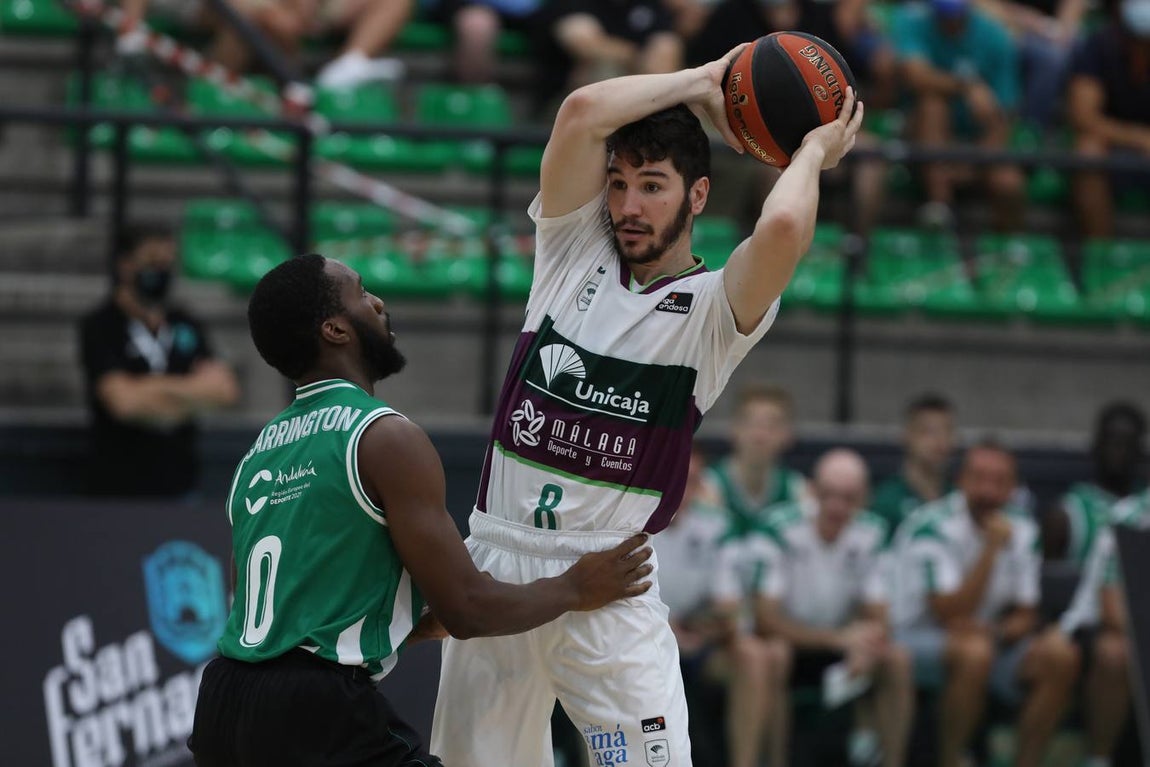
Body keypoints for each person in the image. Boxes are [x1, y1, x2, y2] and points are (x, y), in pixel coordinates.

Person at [430, 44, 864, 766]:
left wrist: (811, 153)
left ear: (697, 195)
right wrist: (705, 82)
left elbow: (784, 230)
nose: (629, 206)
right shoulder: (573, 252)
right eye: (620, 184)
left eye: (653, 186)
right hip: (498, 568)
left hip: (610, 585)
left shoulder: (713, 311)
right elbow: (581, 114)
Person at [188, 254, 655, 767]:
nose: (378, 301)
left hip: (222, 706)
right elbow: (468, 609)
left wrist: (404, 625)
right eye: (361, 292)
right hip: (313, 712)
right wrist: (575, 587)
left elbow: (284, 619)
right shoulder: (384, 436)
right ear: (335, 329)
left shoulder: (260, 452)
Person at [894, 440, 1079, 767]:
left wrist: (997, 631)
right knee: (974, 652)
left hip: (986, 637)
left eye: (999, 481)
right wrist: (991, 549)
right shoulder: (932, 526)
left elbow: (1026, 612)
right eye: (978, 478)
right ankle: (952, 760)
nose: (988, 491)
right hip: (912, 637)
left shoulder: (1023, 529)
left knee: (1060, 655)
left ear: (1013, 488)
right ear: (959, 481)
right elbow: (948, 612)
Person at [748, 449, 913, 767]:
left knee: (897, 659)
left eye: (848, 497)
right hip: (792, 644)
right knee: (774, 654)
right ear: (812, 491)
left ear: (864, 497)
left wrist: (868, 642)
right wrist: (837, 639)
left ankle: (892, 761)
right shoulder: (777, 527)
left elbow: (880, 614)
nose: (837, 506)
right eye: (828, 495)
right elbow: (765, 619)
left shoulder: (873, 532)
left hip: (844, 648)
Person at [78, 223, 240, 497]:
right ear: (125, 265)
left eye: (167, 263)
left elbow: (224, 391)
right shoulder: (101, 326)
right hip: (117, 490)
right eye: (152, 261)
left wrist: (147, 389)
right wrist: (191, 392)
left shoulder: (185, 323)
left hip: (181, 485)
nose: (161, 270)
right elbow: (123, 403)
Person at [654, 445, 784, 767]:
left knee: (753, 654)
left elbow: (730, 608)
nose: (681, 490)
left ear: (700, 487)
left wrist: (705, 630)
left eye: (692, 481)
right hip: (644, 639)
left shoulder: (719, 527)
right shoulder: (632, 522)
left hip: (699, 639)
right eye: (675, 478)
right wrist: (669, 630)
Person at [892, 0, 1027, 231]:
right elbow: (916, 76)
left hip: (978, 144)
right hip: (921, 142)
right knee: (932, 104)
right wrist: (967, 87)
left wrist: (972, 165)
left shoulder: (995, 36)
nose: (950, 22)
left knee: (1009, 183)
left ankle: (1009, 251)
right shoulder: (912, 20)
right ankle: (939, 204)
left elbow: (1005, 116)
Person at [1067, 0, 1150, 238]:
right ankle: (1102, 255)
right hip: (1112, 143)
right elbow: (1084, 117)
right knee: (1088, 151)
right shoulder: (1098, 46)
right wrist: (1139, 138)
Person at [1058, 520, 1137, 767]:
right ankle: (1098, 759)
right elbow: (1113, 611)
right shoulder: (1130, 519)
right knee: (1115, 652)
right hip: (1096, 627)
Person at [531, 0, 684, 117]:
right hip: (565, 106)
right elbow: (584, 44)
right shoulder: (574, 4)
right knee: (602, 68)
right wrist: (636, 57)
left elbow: (665, 48)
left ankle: (661, 123)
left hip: (639, 104)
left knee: (667, 47)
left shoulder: (650, 7)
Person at [1045, 402, 1147, 563]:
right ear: (1097, 446)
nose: (1120, 452)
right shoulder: (1068, 513)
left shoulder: (1146, 505)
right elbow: (1050, 584)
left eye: (1128, 445)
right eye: (1113, 443)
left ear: (1140, 451)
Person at [704, 383, 809, 537]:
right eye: (751, 423)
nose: (760, 434)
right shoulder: (708, 486)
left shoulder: (798, 491)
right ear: (734, 429)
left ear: (788, 434)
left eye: (772, 425)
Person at [871, 393, 956, 539]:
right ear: (906, 436)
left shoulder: (958, 499)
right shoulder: (885, 500)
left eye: (946, 431)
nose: (939, 440)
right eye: (928, 431)